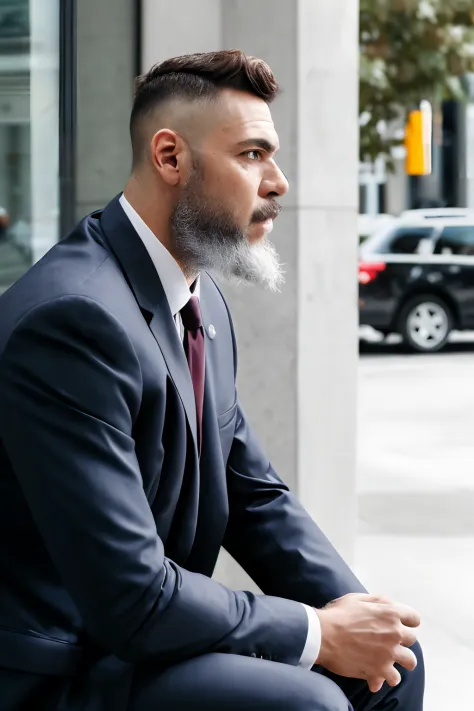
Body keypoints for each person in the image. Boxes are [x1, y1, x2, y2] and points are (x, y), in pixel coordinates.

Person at [0, 50, 424, 711]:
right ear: (170, 158)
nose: (278, 181)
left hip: (141, 636)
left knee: (396, 664)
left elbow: (257, 498)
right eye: (252, 155)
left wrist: (358, 615)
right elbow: (130, 593)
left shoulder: (200, 303)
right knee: (310, 703)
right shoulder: (72, 320)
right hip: (65, 667)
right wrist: (318, 632)